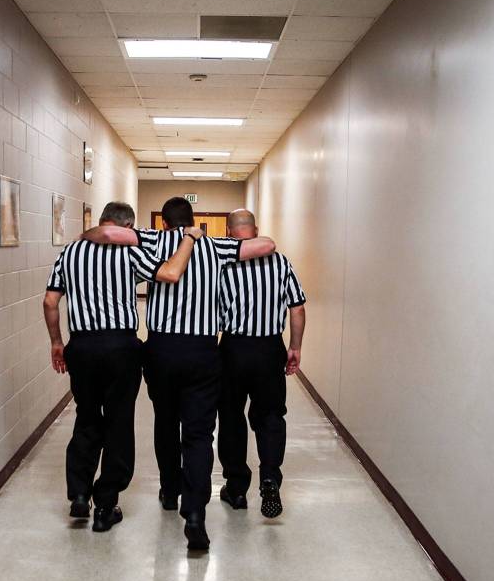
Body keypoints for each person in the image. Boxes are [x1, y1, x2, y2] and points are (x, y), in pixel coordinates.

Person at [83, 197, 277, 550]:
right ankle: (195, 514)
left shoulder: (151, 240)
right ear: (191, 220)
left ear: (163, 222)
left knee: (165, 421)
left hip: (161, 349)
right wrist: (200, 236)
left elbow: (103, 234)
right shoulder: (217, 246)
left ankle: (170, 491)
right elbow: (267, 245)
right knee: (200, 433)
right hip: (203, 350)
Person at [43, 201, 203, 533]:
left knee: (87, 418)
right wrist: (189, 239)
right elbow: (170, 274)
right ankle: (105, 505)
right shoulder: (128, 253)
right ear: (126, 228)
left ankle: (78, 494)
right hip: (120, 347)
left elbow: (50, 301)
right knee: (118, 422)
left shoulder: (70, 253)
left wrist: (57, 342)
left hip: (82, 346)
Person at [215, 209, 306, 519]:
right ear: (256, 230)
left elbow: (212, 312)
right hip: (269, 349)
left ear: (229, 233)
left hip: (233, 348)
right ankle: (269, 476)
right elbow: (297, 307)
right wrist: (294, 346)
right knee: (270, 415)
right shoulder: (280, 263)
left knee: (230, 417)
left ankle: (237, 488)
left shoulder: (222, 264)